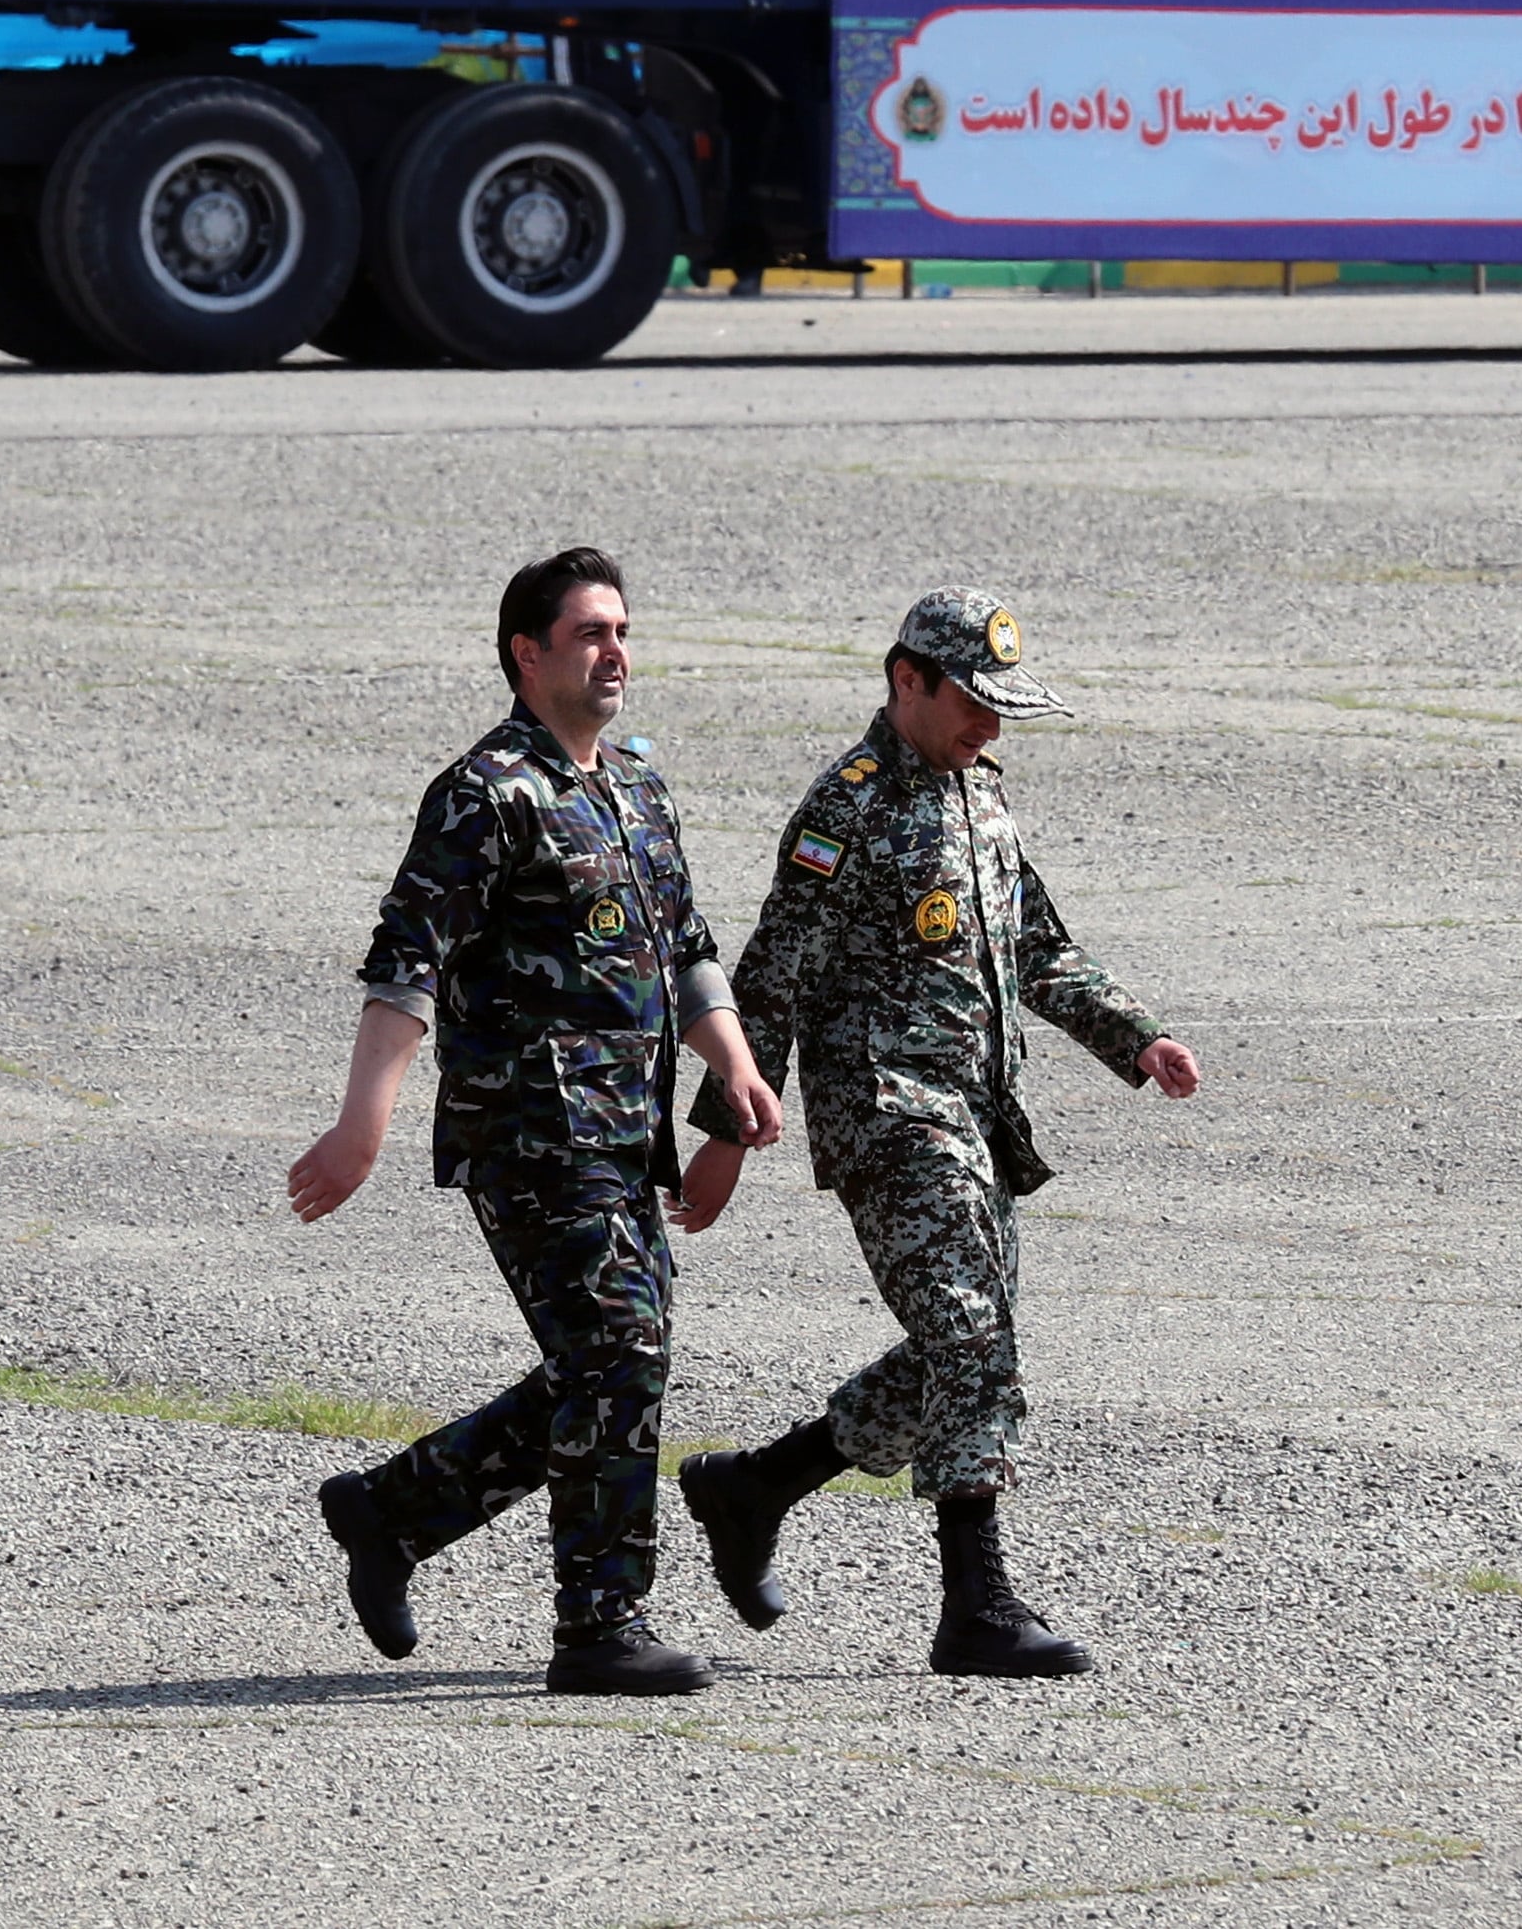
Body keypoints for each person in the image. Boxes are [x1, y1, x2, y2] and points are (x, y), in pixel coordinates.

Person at [287, 547, 787, 1696]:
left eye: (623, 632)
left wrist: (736, 1067)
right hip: (527, 1132)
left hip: (624, 1134)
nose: (615, 654)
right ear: (528, 653)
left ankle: (393, 1511)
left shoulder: (636, 786)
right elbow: (406, 964)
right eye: (590, 635)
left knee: (610, 1361)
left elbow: (688, 946)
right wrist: (363, 1124)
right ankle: (600, 1627)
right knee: (619, 1348)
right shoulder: (484, 794)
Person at [674, 589, 1199, 1679]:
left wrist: (1136, 1039)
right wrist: (727, 1130)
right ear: (904, 679)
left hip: (979, 1111)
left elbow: (1040, 950)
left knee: (968, 1344)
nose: (991, 727)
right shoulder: (849, 808)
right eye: (973, 702)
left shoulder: (981, 796)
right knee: (971, 1334)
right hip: (889, 1113)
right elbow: (774, 971)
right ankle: (976, 1604)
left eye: (1003, 708)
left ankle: (756, 1487)